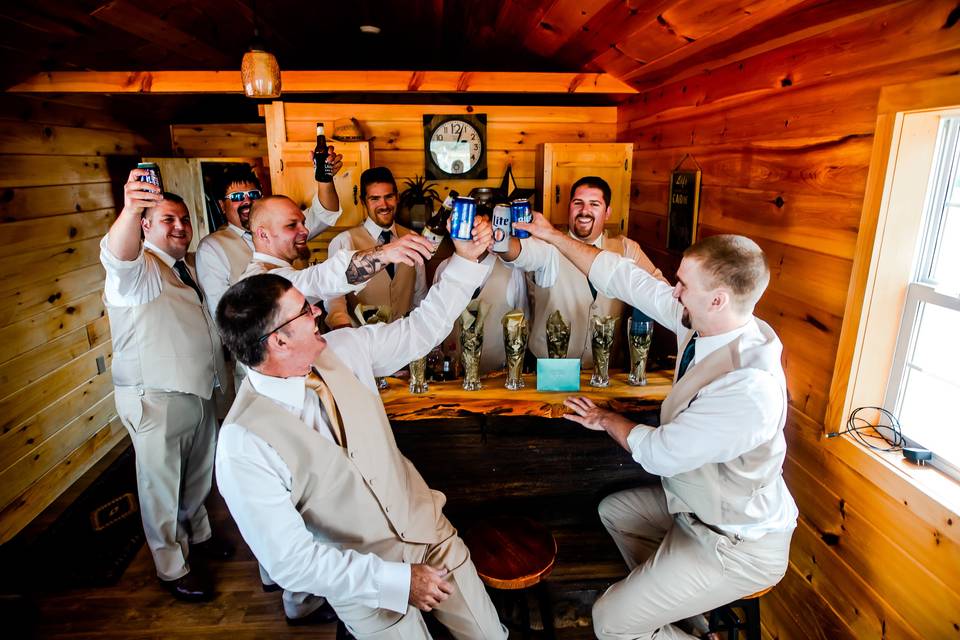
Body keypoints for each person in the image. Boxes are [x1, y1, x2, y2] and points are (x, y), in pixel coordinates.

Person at [214, 217, 507, 640]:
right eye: (305, 310)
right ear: (278, 340)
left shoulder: (345, 348)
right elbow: (289, 562)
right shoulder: (243, 443)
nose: (318, 311)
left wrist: (463, 261)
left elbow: (420, 330)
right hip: (363, 581)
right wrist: (397, 582)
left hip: (431, 535)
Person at [516, 212, 798, 640]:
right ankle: (687, 621)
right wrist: (554, 236)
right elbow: (626, 279)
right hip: (695, 513)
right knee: (617, 511)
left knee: (609, 620)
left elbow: (661, 453)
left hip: (736, 541)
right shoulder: (707, 324)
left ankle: (652, 622)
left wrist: (605, 418)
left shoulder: (749, 387)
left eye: (684, 284)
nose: (675, 291)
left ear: (718, 298)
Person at [100, 169, 234, 602]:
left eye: (184, 219)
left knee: (196, 476)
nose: (179, 227)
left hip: (197, 389)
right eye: (166, 220)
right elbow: (116, 258)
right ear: (145, 225)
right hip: (154, 394)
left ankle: (200, 536)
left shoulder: (188, 266)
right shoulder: (138, 270)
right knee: (160, 485)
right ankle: (171, 567)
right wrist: (132, 205)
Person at [499, 176, 661, 368]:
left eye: (594, 204)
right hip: (548, 368)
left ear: (607, 212)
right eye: (578, 203)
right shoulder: (548, 244)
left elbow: (658, 290)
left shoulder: (626, 249)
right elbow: (521, 253)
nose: (585, 211)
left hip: (605, 369)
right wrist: (500, 242)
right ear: (569, 207)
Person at [195, 150, 345, 326]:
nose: (247, 201)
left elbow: (325, 214)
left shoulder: (287, 227)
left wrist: (324, 179)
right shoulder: (212, 247)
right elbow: (220, 311)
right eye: (236, 197)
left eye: (253, 194)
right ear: (222, 205)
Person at [324, 167, 427, 329]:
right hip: (362, 344)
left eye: (389, 197)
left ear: (397, 197)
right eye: (375, 199)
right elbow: (334, 300)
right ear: (364, 201)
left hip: (405, 341)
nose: (384, 205)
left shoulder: (413, 238)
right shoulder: (343, 242)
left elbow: (419, 295)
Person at [432, 235, 529, 374]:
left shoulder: (513, 271)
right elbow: (434, 326)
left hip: (497, 381)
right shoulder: (443, 269)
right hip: (452, 381)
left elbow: (523, 324)